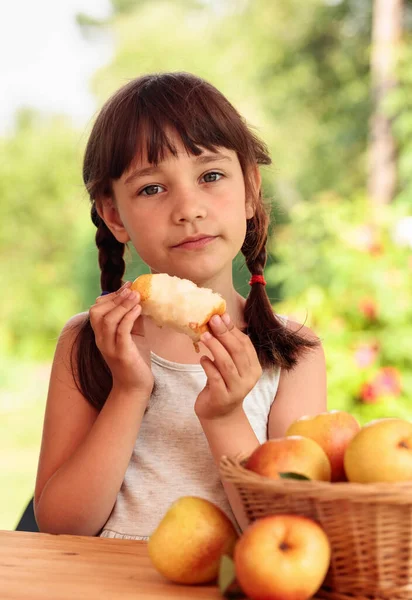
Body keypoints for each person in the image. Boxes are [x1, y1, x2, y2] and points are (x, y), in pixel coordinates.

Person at [34, 72, 327, 539]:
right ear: (114, 215)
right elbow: (62, 526)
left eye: (210, 176)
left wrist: (224, 416)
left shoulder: (294, 355)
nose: (188, 208)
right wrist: (128, 390)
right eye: (152, 188)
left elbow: (285, 532)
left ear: (250, 189)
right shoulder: (87, 342)